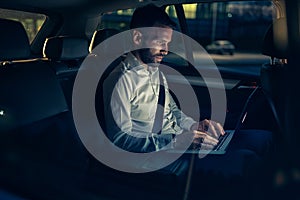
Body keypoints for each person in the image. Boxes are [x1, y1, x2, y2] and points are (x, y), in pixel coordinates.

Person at [102, 4, 273, 181]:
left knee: (263, 139)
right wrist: (176, 141)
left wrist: (195, 127)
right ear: (137, 38)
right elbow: (120, 140)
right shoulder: (120, 80)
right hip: (154, 160)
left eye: (167, 43)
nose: (166, 50)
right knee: (247, 161)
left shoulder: (155, 72)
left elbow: (173, 113)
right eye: (160, 42)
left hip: (178, 147)